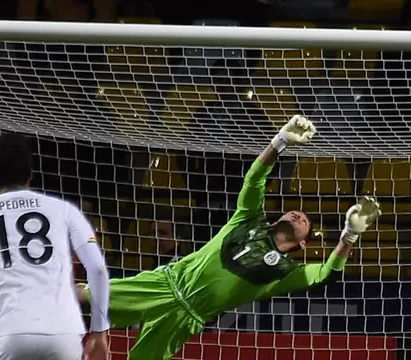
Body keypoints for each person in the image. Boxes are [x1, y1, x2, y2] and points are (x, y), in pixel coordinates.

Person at [77, 115, 382, 359]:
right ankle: (36, 291)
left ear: (303, 243)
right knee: (87, 295)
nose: (299, 215)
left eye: (305, 221)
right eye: (294, 212)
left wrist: (350, 235)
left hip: (187, 318)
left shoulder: (284, 273)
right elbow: (254, 179)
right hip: (166, 284)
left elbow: (327, 274)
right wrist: (280, 142)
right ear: (277, 218)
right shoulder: (248, 218)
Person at [0, 133, 110, 360]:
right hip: (64, 334)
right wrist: (99, 330)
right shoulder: (65, 210)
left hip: (9, 333)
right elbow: (98, 269)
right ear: (31, 174)